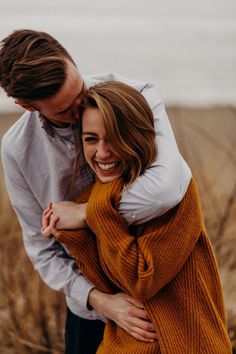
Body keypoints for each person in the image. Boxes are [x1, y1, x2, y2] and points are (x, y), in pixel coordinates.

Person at [0, 29, 192, 353]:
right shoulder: (17, 150)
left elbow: (169, 187)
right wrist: (102, 302)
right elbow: (42, 250)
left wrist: (84, 215)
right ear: (27, 106)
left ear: (71, 61)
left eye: (80, 91)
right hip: (90, 312)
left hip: (165, 295)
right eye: (65, 110)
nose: (80, 110)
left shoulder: (138, 95)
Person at [42, 81, 232, 353]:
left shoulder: (174, 193)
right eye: (91, 139)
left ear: (135, 136)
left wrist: (90, 216)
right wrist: (69, 233)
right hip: (123, 344)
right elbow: (106, 281)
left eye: (115, 138)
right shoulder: (94, 195)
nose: (103, 152)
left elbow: (142, 280)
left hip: (188, 342)